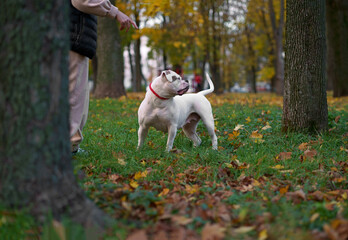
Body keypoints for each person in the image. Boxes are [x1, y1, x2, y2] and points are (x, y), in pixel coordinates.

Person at [70, 0, 138, 153]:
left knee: (74, 94)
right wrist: (115, 12)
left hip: (69, 35)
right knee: (73, 95)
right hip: (72, 36)